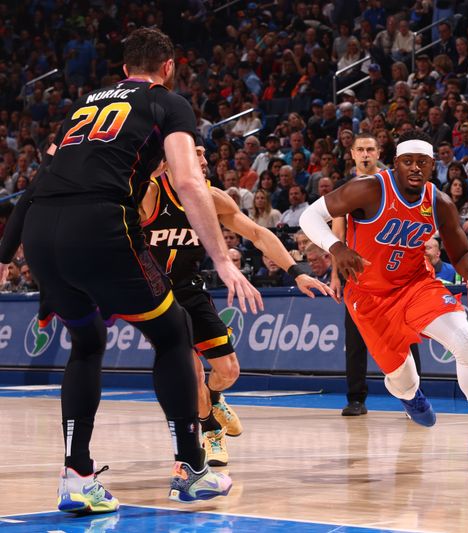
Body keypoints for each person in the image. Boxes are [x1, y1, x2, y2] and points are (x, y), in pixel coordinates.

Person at [0, 28, 263, 510]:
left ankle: (77, 475)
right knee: (173, 332)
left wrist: (3, 257)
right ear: (168, 67)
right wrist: (223, 260)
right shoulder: (168, 101)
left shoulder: (84, 107)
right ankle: (191, 468)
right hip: (99, 223)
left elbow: (36, 186)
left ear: (124, 70)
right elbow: (187, 179)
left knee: (87, 343)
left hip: (41, 230)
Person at [299, 131, 468, 468]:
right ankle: (410, 396)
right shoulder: (370, 188)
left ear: (432, 165)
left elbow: (459, 251)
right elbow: (308, 217)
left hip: (416, 285)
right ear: (396, 163)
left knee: (467, 341)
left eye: (423, 163)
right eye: (408, 162)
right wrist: (337, 248)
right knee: (403, 380)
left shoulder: (439, 202)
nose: (416, 168)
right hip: (369, 298)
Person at [141, 141, 333, 466]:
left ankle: (216, 399)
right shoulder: (150, 194)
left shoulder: (212, 198)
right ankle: (211, 432)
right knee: (191, 373)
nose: (203, 158)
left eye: (204, 152)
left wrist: (296, 271)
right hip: (156, 296)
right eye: (194, 152)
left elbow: (258, 234)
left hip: (190, 288)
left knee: (228, 371)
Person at [331, 132, 422, 418]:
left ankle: (414, 397)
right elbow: (337, 234)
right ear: (353, 154)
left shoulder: (393, 185)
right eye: (361, 149)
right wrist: (335, 274)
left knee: (405, 336)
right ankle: (356, 398)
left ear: (379, 152)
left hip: (396, 274)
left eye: (371, 148)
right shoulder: (346, 188)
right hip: (357, 275)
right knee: (356, 338)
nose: (366, 153)